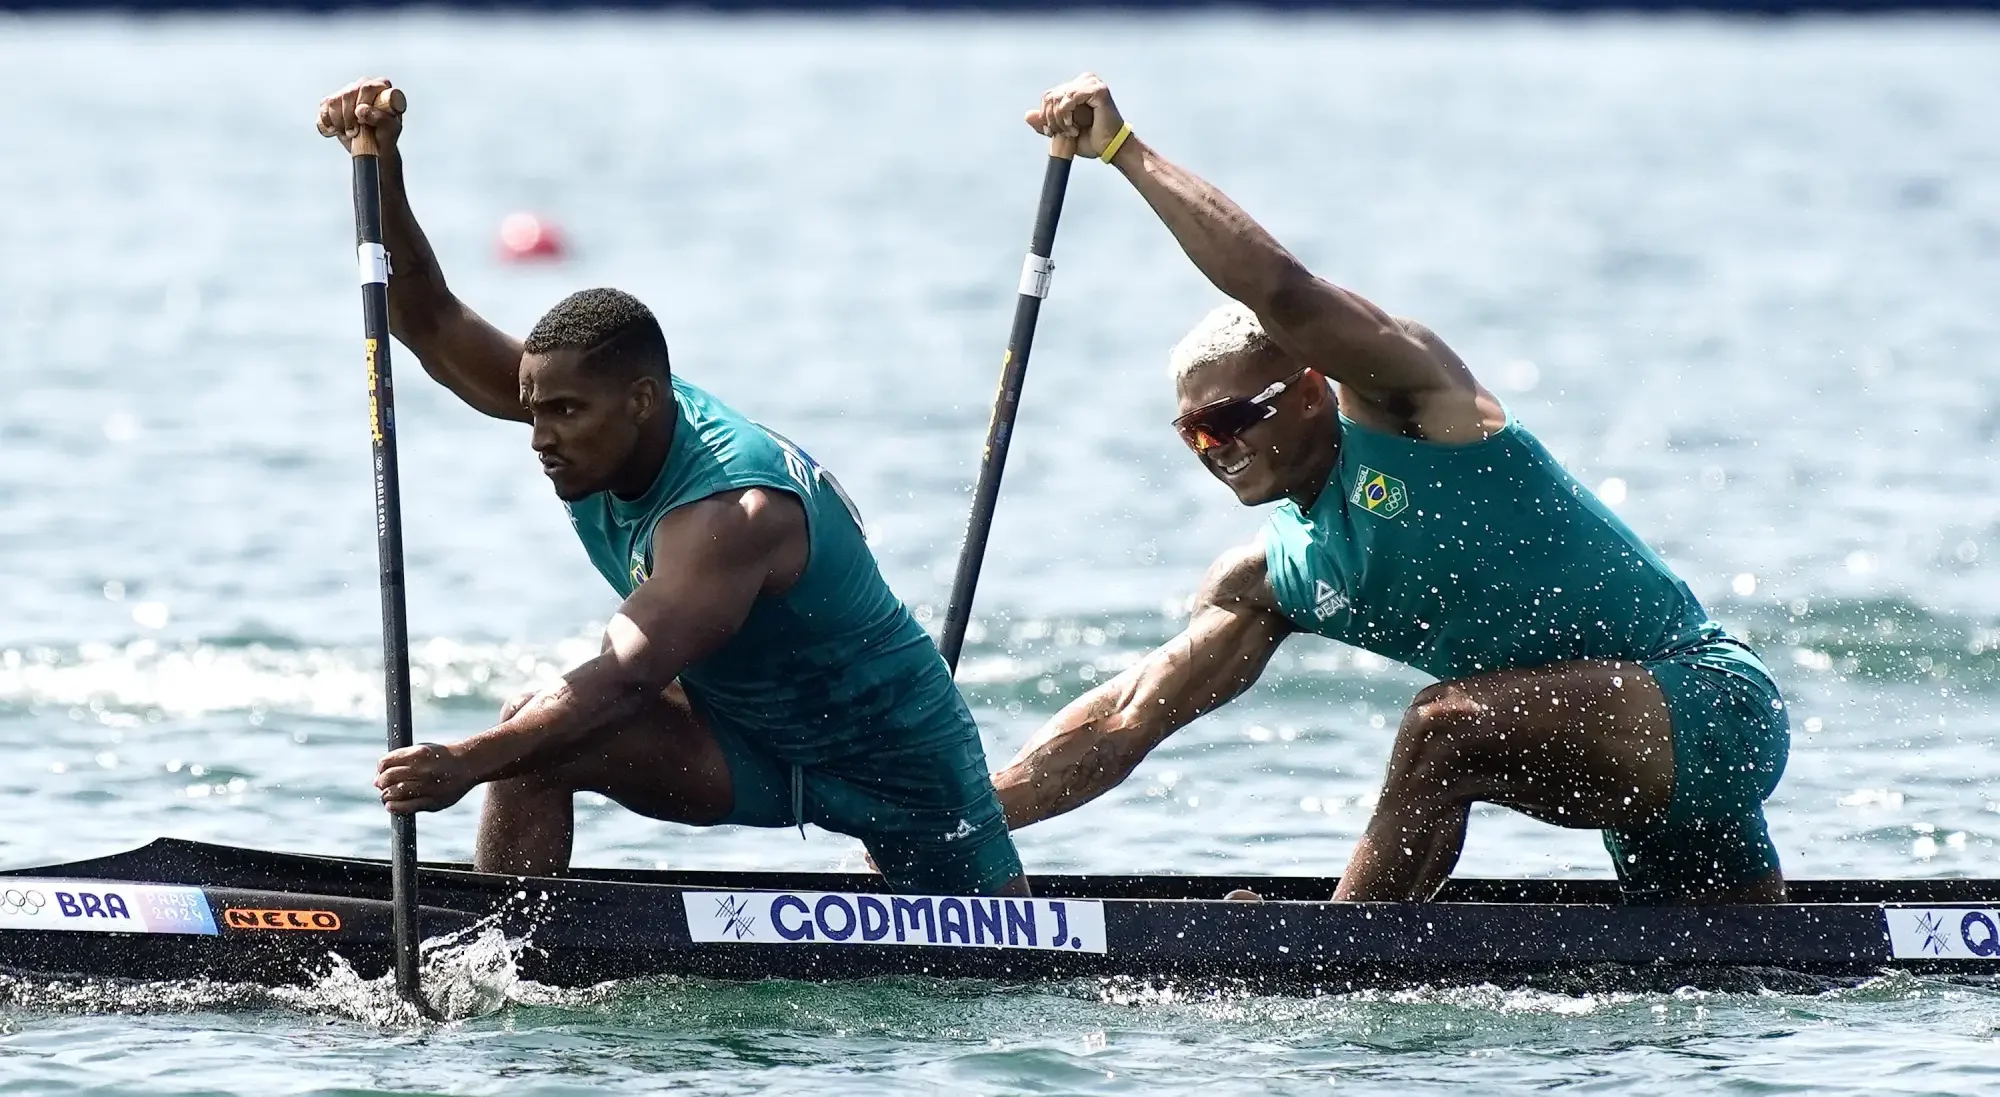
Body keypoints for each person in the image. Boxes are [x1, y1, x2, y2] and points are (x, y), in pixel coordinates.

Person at [992, 74, 1788, 904]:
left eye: (1230, 417)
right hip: (1610, 752)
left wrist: (1123, 153)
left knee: (1440, 730)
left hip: (1707, 703)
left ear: (1309, 389)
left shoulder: (1414, 407)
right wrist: (957, 821)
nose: (1214, 448)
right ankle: (1365, 948)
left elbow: (1282, 291)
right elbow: (1124, 722)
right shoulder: (1268, 579)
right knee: (1749, 969)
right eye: (1192, 431)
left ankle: (1337, 961)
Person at [316, 78, 1027, 897]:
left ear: (643, 401)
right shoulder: (595, 419)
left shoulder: (733, 511)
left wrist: (461, 763)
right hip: (745, 742)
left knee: (1003, 960)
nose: (541, 437)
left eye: (565, 414)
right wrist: (382, 167)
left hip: (901, 765)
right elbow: (431, 321)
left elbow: (624, 679)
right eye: (534, 411)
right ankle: (492, 961)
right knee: (536, 740)